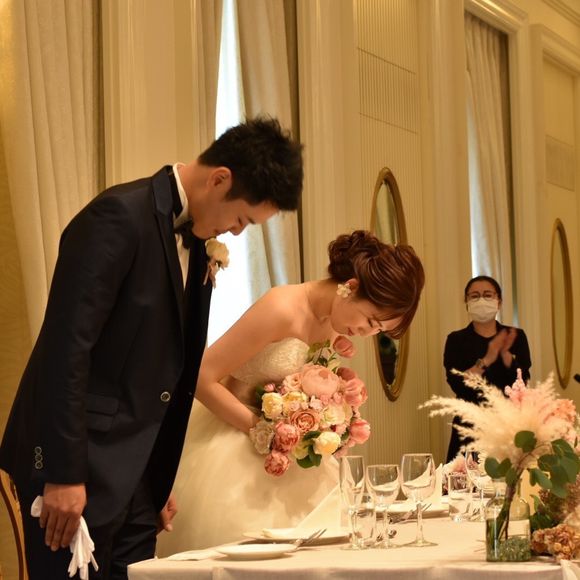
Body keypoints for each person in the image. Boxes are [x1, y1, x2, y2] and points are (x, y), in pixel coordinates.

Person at [0, 117, 304, 579]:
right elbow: (65, 351)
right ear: (219, 179)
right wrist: (63, 473)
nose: (236, 233)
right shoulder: (117, 217)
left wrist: (153, 476)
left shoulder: (199, 243)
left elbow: (168, 367)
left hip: (137, 478)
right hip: (77, 466)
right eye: (242, 219)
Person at [157, 230, 425, 554]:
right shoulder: (280, 307)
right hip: (233, 444)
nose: (366, 333)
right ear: (351, 287)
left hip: (289, 455)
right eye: (370, 321)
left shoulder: (332, 321)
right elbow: (200, 378)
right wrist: (261, 430)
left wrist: (338, 392)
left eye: (377, 330)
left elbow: (298, 379)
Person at [444, 275, 532, 462]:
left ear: (499, 301)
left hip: (508, 425)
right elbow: (458, 384)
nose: (481, 300)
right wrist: (487, 359)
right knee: (463, 476)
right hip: (469, 425)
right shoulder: (456, 340)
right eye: (474, 296)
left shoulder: (516, 336)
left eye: (488, 295)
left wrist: (505, 355)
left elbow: (522, 383)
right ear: (467, 302)